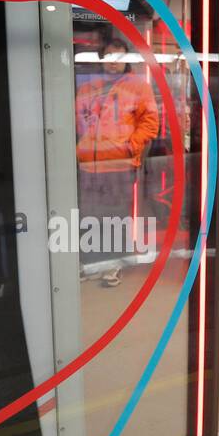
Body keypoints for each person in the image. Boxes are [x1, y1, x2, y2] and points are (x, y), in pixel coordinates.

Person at [75, 36, 160, 285]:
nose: (114, 63)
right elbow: (76, 121)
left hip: (120, 164)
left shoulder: (138, 86)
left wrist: (129, 147)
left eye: (119, 58)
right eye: (110, 57)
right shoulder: (88, 88)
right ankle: (92, 263)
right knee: (90, 216)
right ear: (102, 59)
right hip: (89, 165)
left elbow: (150, 122)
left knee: (117, 217)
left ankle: (113, 265)